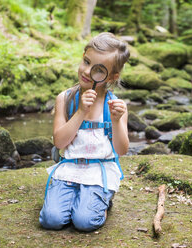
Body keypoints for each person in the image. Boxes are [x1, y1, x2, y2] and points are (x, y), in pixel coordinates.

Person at [39, 32, 130, 232]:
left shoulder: (114, 106)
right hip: (70, 169)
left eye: (98, 70)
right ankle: (78, 199)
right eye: (86, 62)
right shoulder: (65, 99)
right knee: (50, 220)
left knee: (84, 221)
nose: (87, 71)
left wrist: (115, 121)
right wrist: (81, 112)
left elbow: (121, 150)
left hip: (99, 172)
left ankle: (103, 202)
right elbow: (60, 142)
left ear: (112, 77)